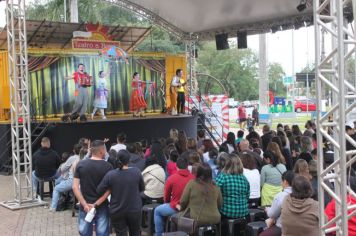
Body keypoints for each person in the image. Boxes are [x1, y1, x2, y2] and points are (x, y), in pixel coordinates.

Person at [96, 149, 144, 236]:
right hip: (134, 209)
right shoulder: (136, 171)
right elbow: (142, 189)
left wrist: (110, 188)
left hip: (117, 210)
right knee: (135, 232)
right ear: (129, 160)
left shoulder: (111, 175)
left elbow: (99, 190)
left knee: (121, 233)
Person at [73, 140, 113, 236]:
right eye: (105, 149)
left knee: (85, 232)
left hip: (85, 206)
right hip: (101, 205)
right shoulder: (108, 166)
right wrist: (96, 204)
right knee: (102, 233)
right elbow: (109, 189)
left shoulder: (81, 164)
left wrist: (84, 204)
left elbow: (75, 187)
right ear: (101, 151)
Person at [154, 157, 195, 236]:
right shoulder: (193, 178)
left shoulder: (171, 178)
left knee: (157, 211)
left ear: (176, 166)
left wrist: (170, 202)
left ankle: (158, 234)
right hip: (190, 209)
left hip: (175, 207)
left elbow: (166, 198)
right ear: (187, 166)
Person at [178, 163, 222, 228]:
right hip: (215, 219)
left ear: (198, 174)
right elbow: (220, 204)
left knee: (175, 218)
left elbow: (183, 201)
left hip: (197, 219)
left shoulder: (192, 184)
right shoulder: (216, 187)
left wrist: (181, 209)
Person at [260, 171, 295, 236]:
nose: (281, 183)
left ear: (285, 181)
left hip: (283, 226)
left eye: (281, 181)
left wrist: (267, 210)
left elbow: (272, 214)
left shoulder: (280, 196)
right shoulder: (299, 194)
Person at [216, 154, 250, 219]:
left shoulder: (223, 176)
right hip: (243, 212)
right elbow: (247, 196)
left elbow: (213, 190)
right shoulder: (244, 179)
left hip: (227, 212)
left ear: (227, 164)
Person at [50, 143, 81, 211]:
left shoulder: (73, 158)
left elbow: (62, 169)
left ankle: (53, 207)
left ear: (74, 151)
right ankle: (69, 201)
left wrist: (63, 166)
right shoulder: (86, 157)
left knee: (56, 188)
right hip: (82, 182)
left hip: (72, 181)